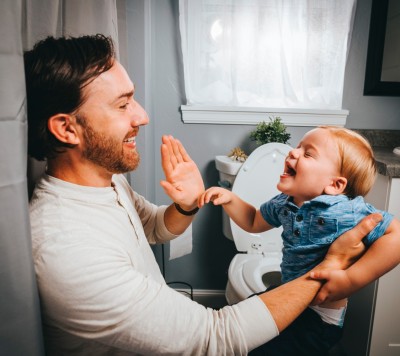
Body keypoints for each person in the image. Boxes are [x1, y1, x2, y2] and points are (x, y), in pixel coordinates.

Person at [25, 34, 382, 356]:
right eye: (123, 105)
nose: (143, 116)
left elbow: (152, 227)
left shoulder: (106, 180)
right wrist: (331, 265)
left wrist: (185, 204)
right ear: (67, 128)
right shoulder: (66, 248)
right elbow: (217, 339)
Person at [199, 126, 400, 355]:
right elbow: (253, 221)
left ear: (335, 185)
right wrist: (230, 199)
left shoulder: (346, 211)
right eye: (297, 148)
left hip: (318, 320)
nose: (293, 153)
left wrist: (350, 279)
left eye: (308, 153)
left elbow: (396, 236)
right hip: (288, 293)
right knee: (241, 322)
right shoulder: (285, 202)